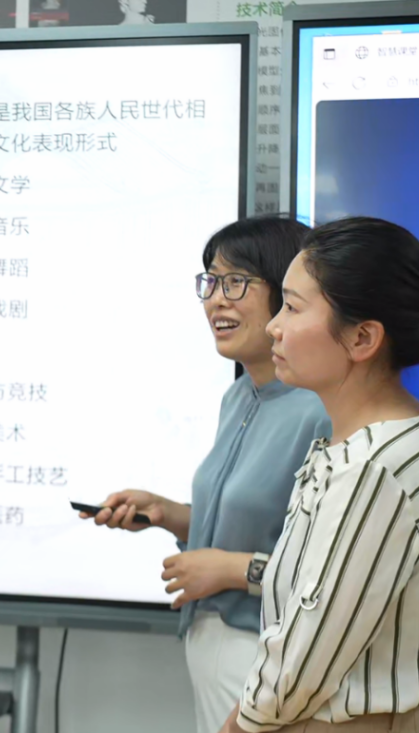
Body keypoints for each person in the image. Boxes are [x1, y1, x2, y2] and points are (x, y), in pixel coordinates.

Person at [221, 217, 419, 733]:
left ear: (362, 337)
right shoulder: (390, 442)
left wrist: (241, 722)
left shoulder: (375, 471)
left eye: (292, 307)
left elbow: (303, 665)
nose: (273, 327)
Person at [81, 216, 331, 733]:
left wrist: (230, 570)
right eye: (210, 282)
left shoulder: (323, 410)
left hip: (272, 654)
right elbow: (250, 523)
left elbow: (334, 573)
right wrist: (167, 514)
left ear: (289, 294)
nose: (217, 300)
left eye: (236, 282)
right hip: (210, 643)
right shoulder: (239, 395)